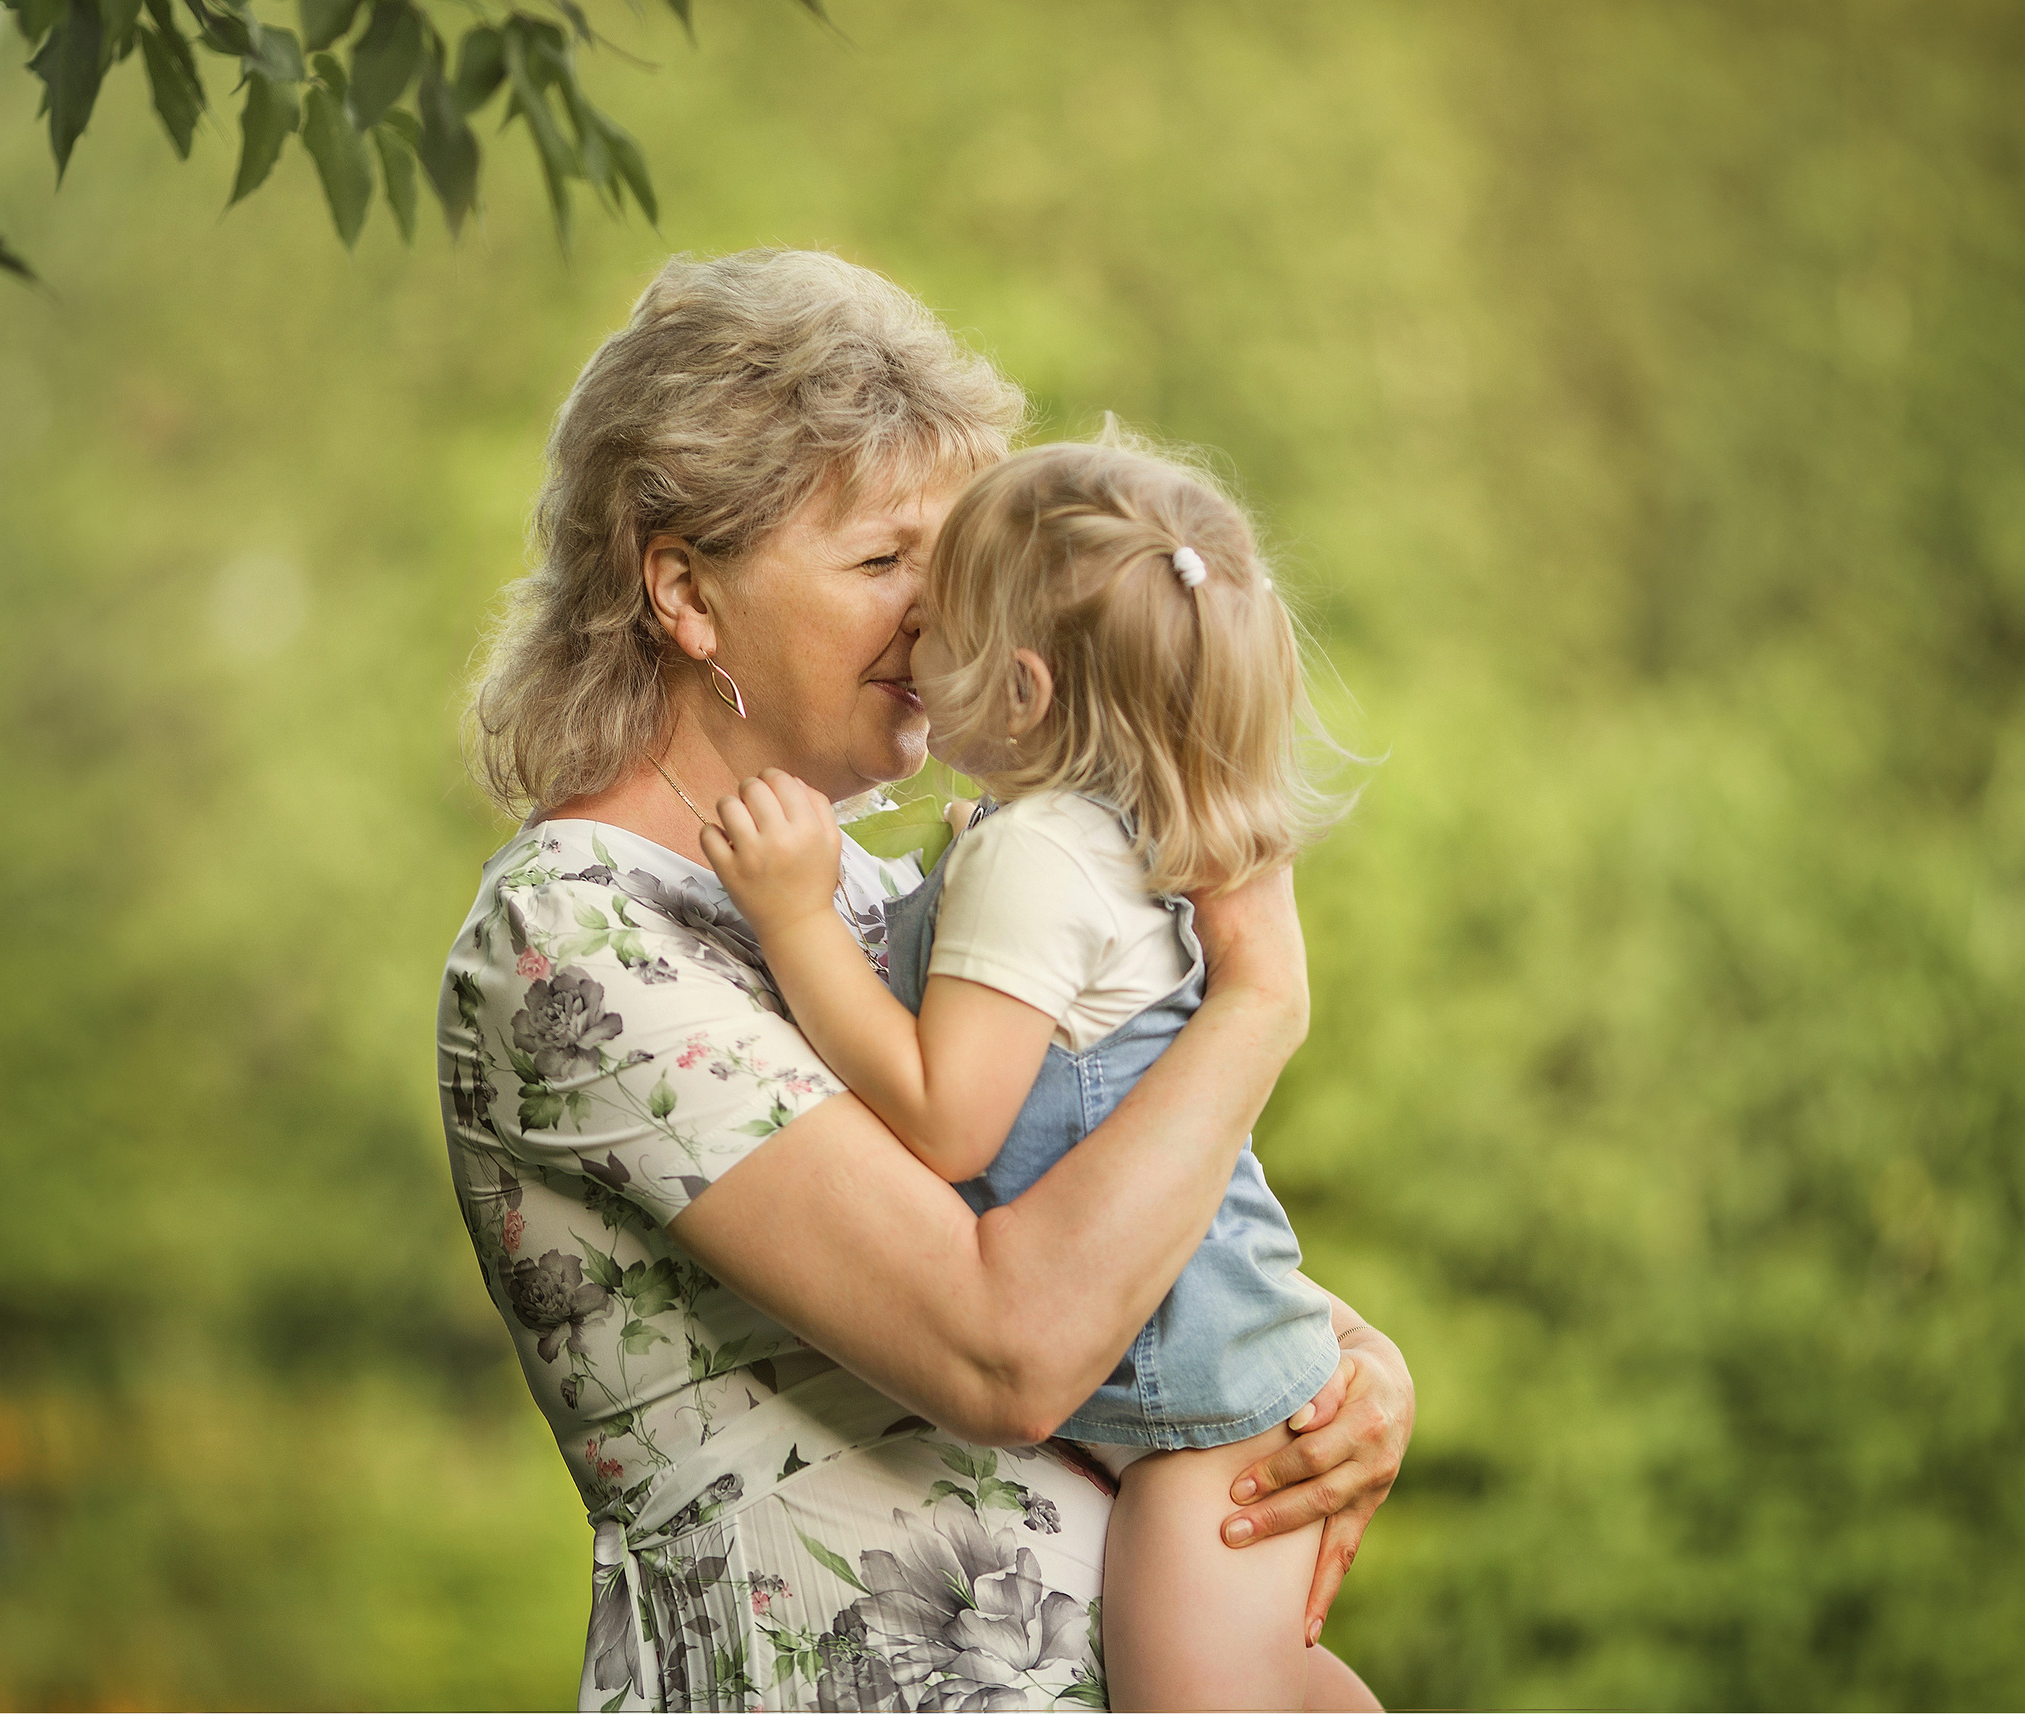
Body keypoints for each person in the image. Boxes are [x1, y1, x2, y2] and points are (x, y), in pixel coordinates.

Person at [438, 248, 1413, 1711]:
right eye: (885, 559)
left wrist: (1339, 1360)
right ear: (685, 592)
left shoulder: (886, 896)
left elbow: (1137, 1233)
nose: (944, 614)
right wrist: (1261, 997)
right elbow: (1009, 1340)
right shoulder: (577, 939)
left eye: (955, 564)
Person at [699, 436, 1356, 1710]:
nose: (905, 648)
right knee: (1257, 1677)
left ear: (1017, 687)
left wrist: (791, 917)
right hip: (1196, 1394)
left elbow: (947, 1121)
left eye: (933, 624)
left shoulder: (1035, 862)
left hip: (1198, 1419)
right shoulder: (1072, 841)